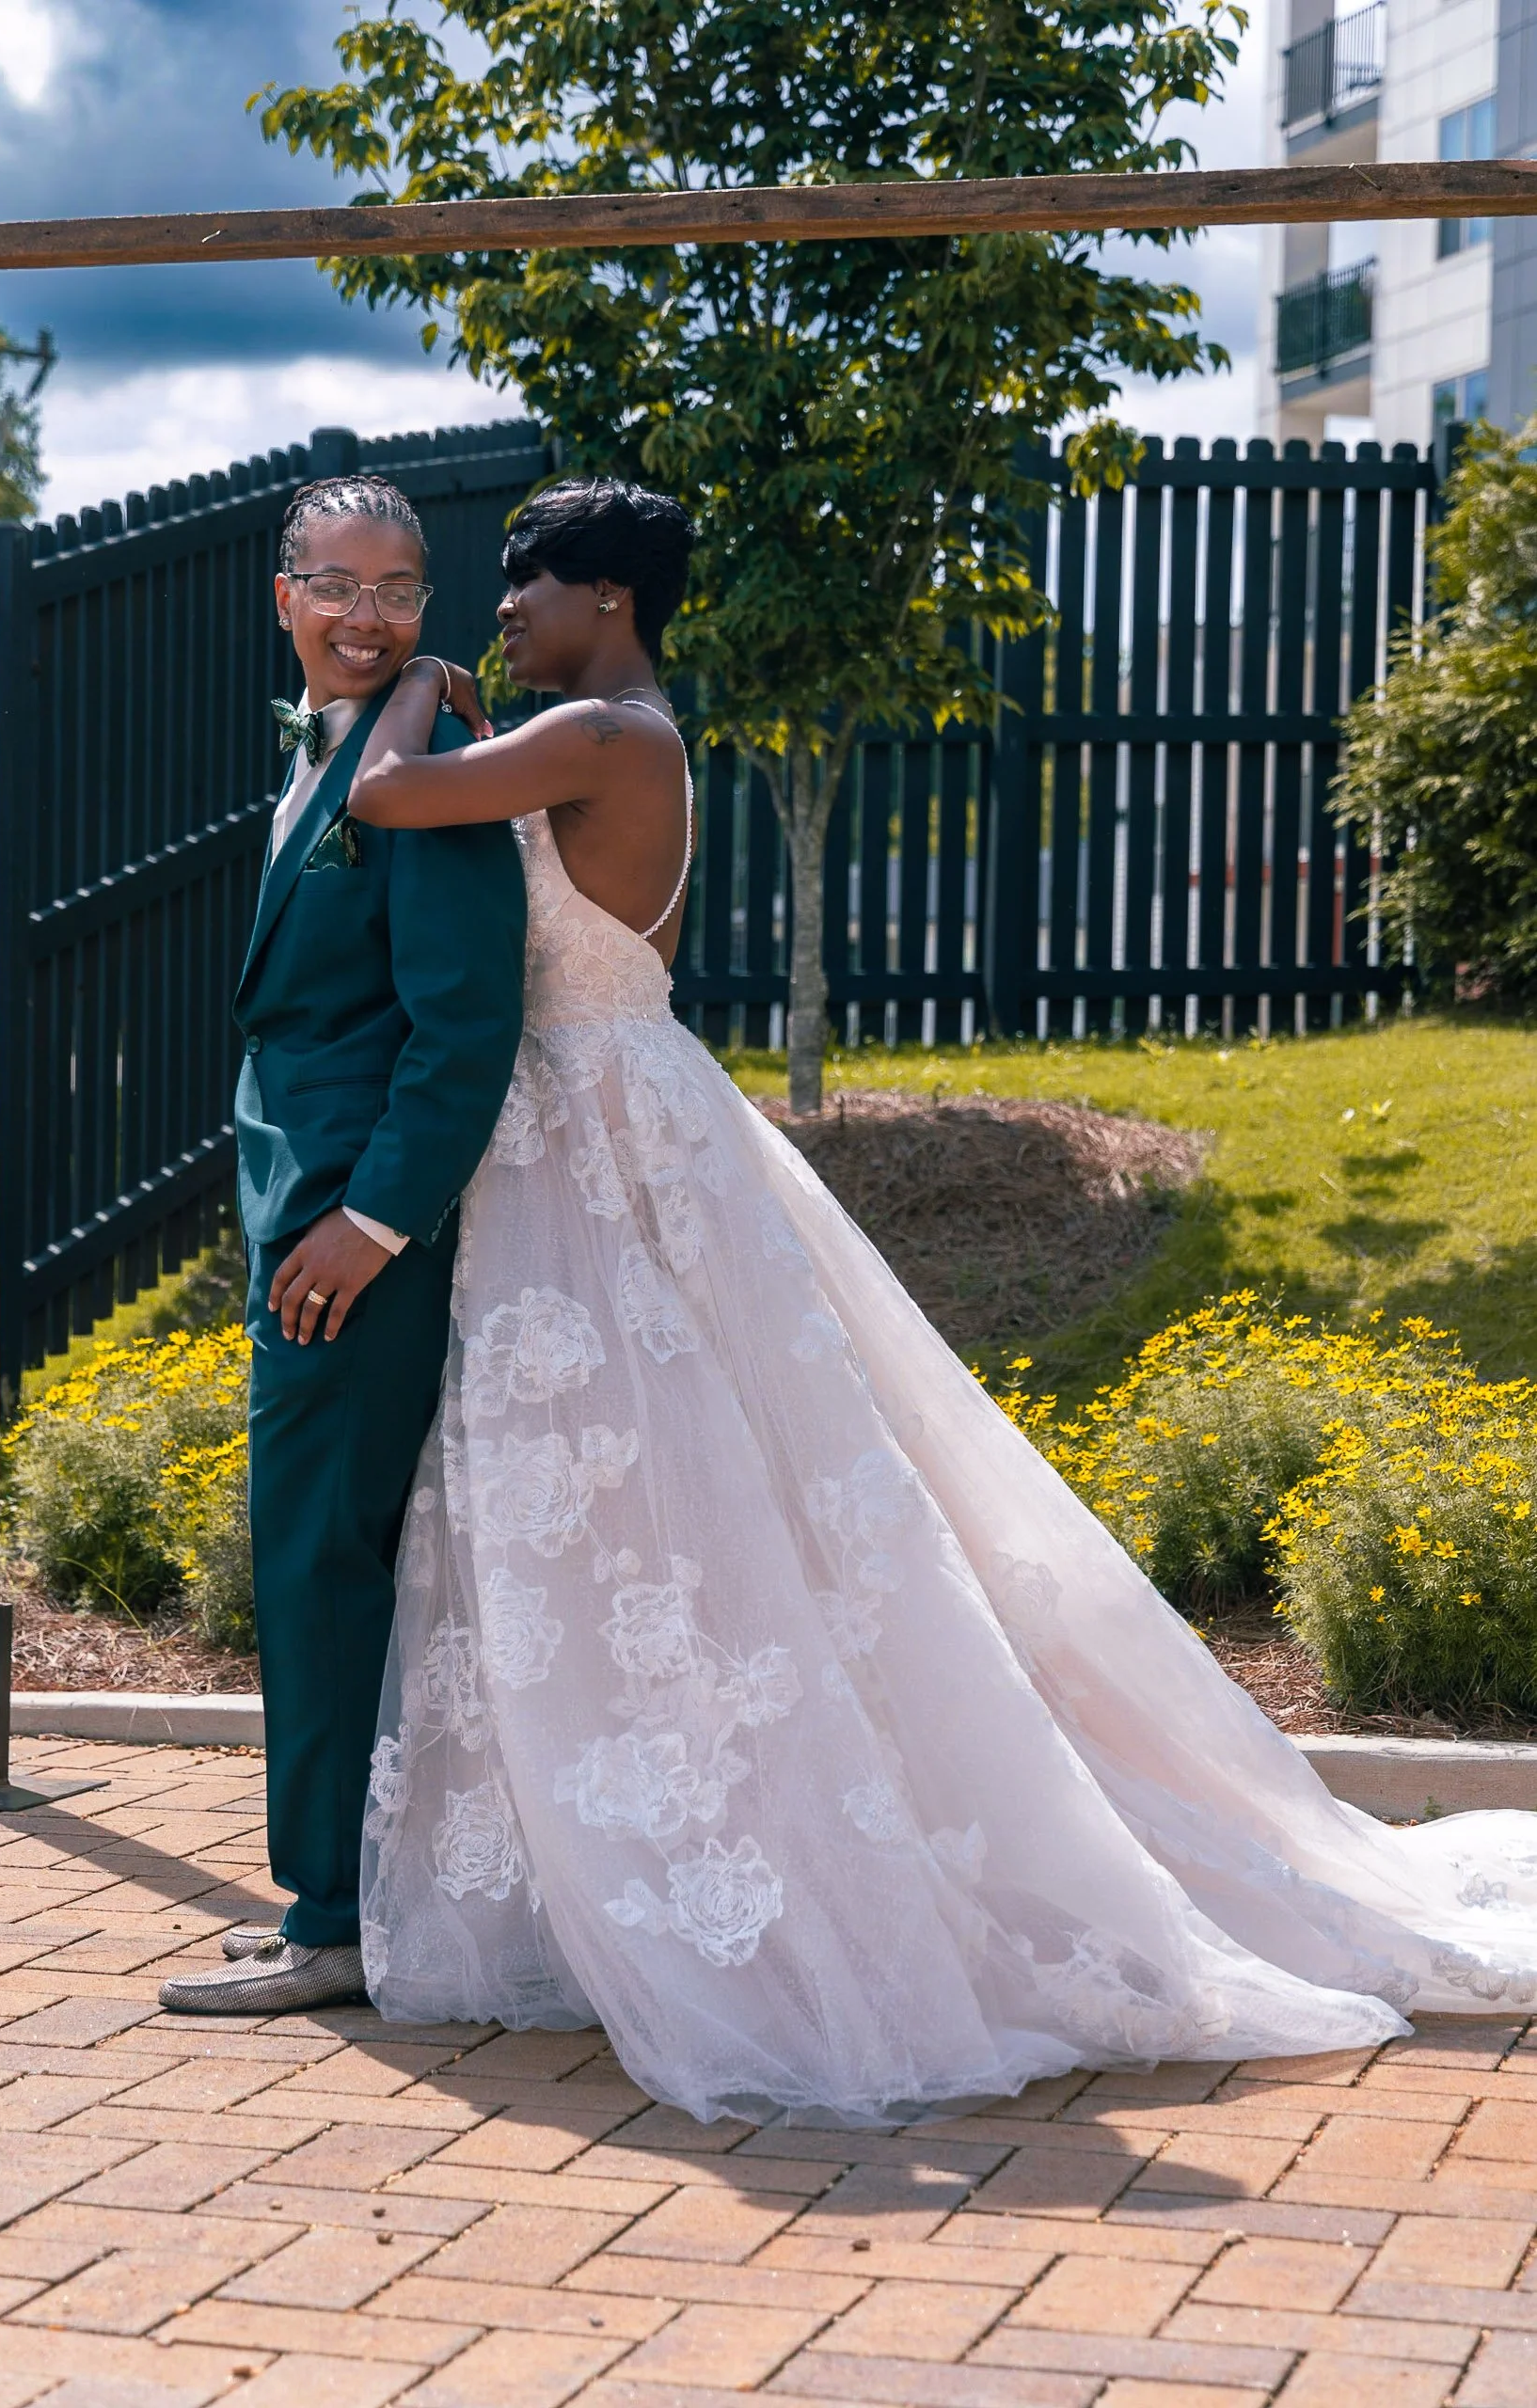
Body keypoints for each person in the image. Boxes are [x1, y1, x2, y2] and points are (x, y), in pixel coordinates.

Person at [353, 475, 1537, 2123]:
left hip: (603, 1137)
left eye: (519, 590)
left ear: (605, 596)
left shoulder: (607, 737)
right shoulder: (613, 726)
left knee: (672, 1477)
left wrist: (405, 677)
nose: (498, 614)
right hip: (590, 1132)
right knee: (651, 1494)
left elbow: (393, 795)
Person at [160, 474, 526, 2016]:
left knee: (319, 1563)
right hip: (300, 1214)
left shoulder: (429, 771)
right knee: (328, 1562)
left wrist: (368, 1228)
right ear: (285, 595)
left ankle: (332, 1923)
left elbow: (462, 1033)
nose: (368, 617)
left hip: (352, 1245)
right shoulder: (340, 755)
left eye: (398, 592)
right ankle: (347, 1896)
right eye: (339, 585)